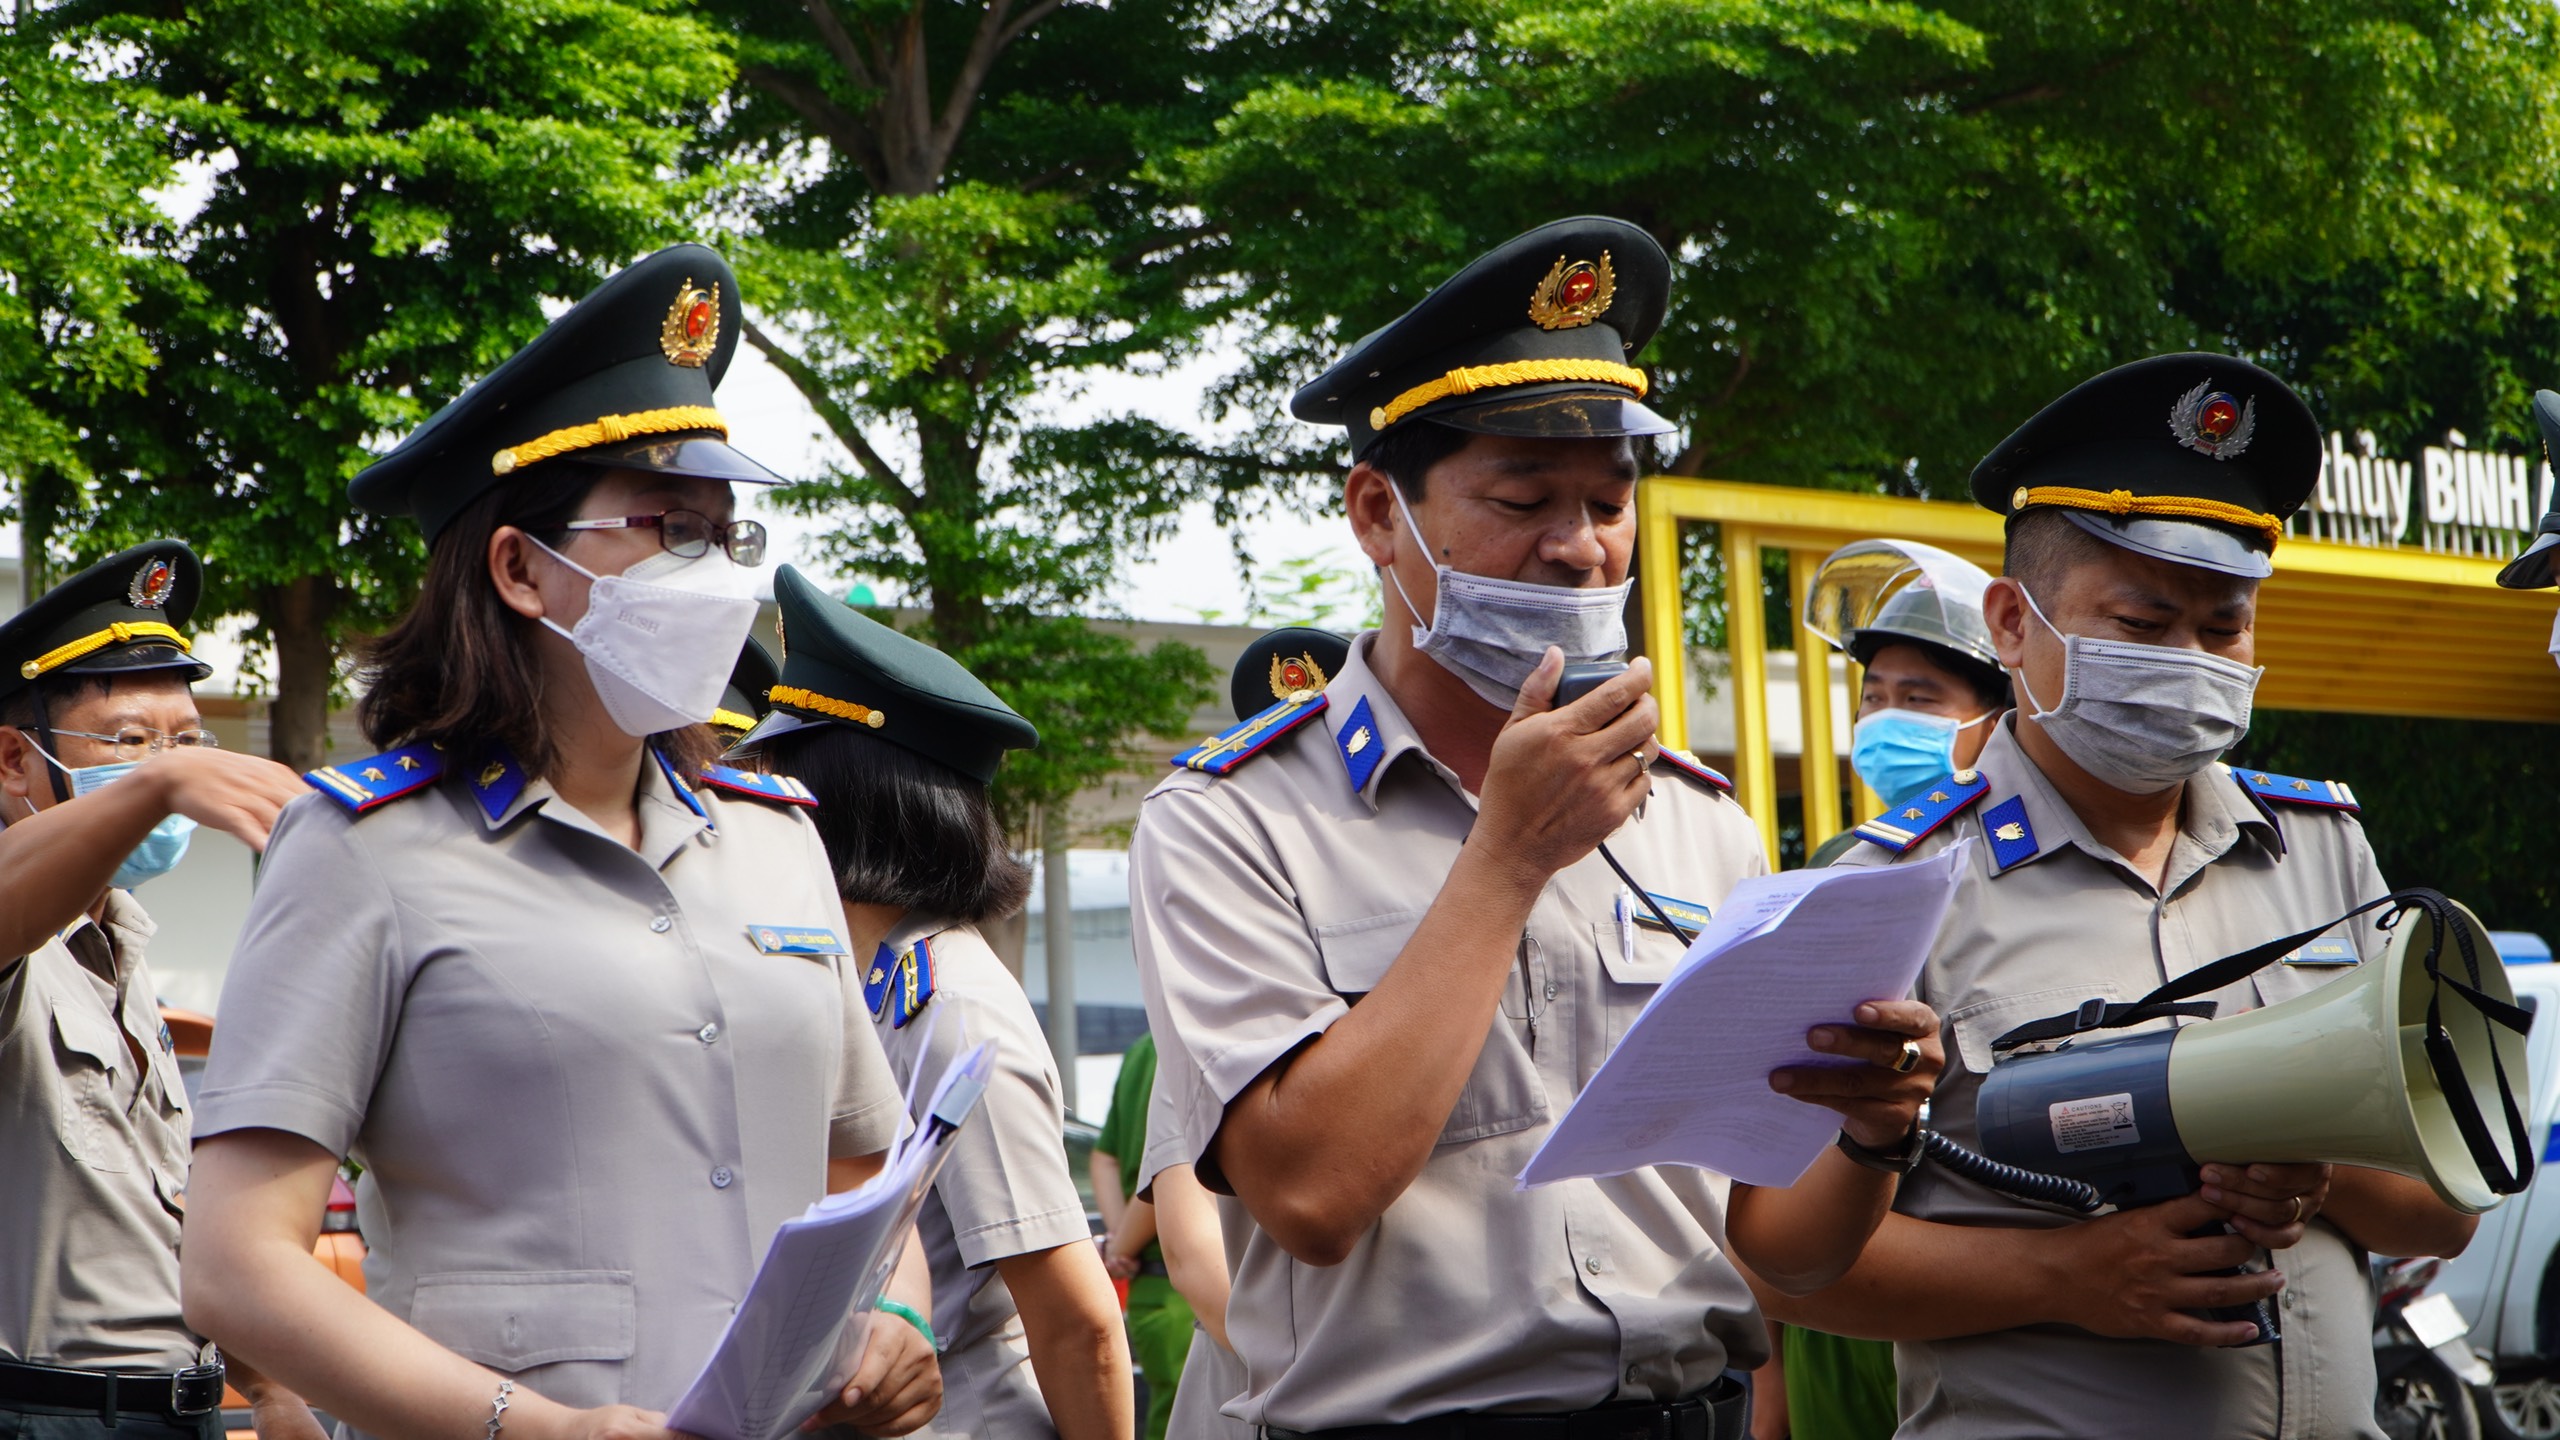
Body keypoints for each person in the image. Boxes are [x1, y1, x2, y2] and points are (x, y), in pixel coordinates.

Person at [1127, 216, 1946, 1437]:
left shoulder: (1693, 818)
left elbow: (1771, 1249)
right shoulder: (1229, 819)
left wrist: (1876, 1135)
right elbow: (1310, 1194)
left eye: (1610, 501)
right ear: (1375, 514)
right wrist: (1507, 855)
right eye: (1521, 498)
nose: (1578, 548)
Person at [176, 244, 942, 1440]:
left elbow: (865, 1179)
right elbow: (235, 1265)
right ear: (522, 569)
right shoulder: (362, 849)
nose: (717, 575)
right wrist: (533, 1427)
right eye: (665, 525)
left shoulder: (777, 839)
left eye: (725, 537)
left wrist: (903, 1318)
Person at [1776, 353, 2483, 1438]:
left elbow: (2447, 1206)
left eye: (2224, 628)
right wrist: (2064, 1277)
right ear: (2012, 626)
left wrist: (2308, 1170)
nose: (2192, 661)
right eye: (2144, 627)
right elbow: (1789, 1270)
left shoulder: (2320, 854)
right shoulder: (1888, 886)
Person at [726, 565, 1132, 1439]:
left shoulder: (951, 1004)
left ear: (846, 799)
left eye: (777, 774)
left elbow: (1078, 1323)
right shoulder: (856, 979)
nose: (757, 799)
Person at [0, 541, 321, 1440]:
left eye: (186, 737)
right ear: (10, 763)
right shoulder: (24, 946)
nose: (164, 764)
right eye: (129, 741)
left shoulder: (122, 950)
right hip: (45, 1415)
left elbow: (167, 1218)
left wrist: (268, 1389)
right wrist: (165, 783)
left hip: (180, 1413)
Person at [1801, 541, 2009, 870]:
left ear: (1994, 724)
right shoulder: (1837, 858)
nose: (1887, 717)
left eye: (1917, 698)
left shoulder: (2019, 853)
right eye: (1874, 698)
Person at [1087, 1033, 1189, 1440]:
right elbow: (1169, 1172)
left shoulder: (1143, 1049)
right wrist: (1122, 1244)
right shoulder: (1187, 1042)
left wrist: (1118, 1240)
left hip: (1153, 1288)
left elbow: (1104, 1156)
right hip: (1185, 1286)